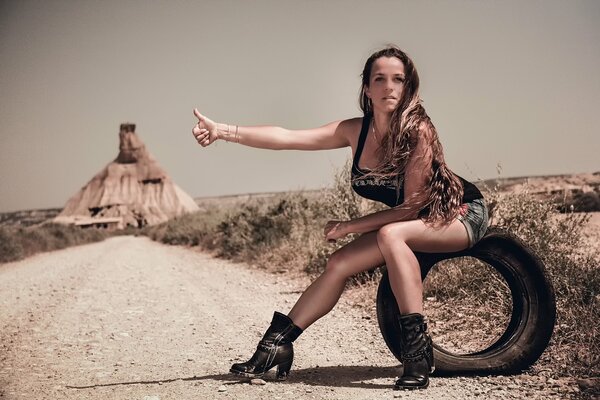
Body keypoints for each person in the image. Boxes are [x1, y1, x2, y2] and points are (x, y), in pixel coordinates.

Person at [191, 46, 488, 390]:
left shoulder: (418, 130)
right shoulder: (355, 131)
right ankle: (277, 345)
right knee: (338, 263)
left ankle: (417, 354)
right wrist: (223, 131)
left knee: (392, 235)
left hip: (458, 213)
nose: (389, 87)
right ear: (367, 88)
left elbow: (411, 207)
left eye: (398, 79)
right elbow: (288, 137)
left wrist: (351, 226)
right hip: (408, 224)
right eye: (380, 79)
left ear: (408, 87)